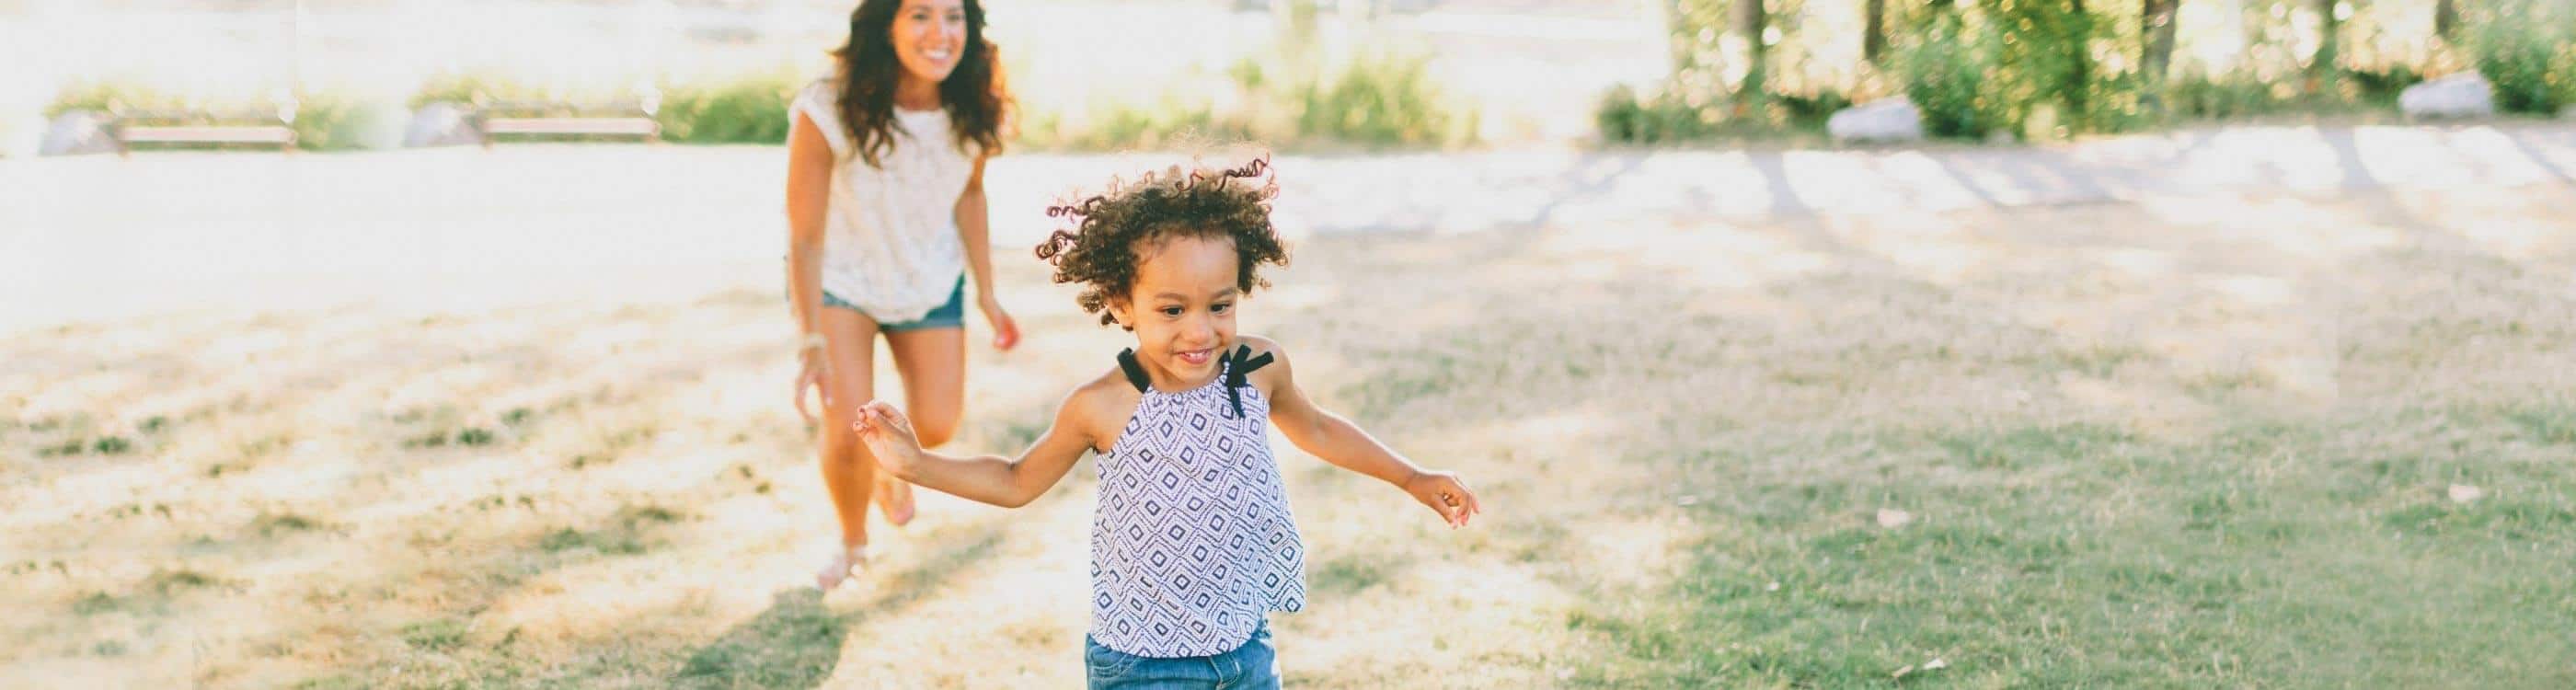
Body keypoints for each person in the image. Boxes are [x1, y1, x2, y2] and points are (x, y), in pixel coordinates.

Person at [849, 157, 1483, 689]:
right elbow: (1016, 481)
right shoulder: (1103, 404)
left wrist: (1411, 476)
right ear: (1123, 304)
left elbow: (1316, 428)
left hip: (1246, 645)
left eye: (1221, 305)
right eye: (1172, 309)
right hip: (1143, 664)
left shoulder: (1259, 365)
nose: (1200, 330)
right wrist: (915, 465)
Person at [785, 0, 1019, 591]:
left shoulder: (973, 103)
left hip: (929, 280)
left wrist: (988, 293)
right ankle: (853, 543)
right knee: (845, 427)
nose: (940, 34)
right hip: (844, 282)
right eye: (920, 15)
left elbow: (969, 195)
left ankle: (889, 467)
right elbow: (805, 235)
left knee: (936, 425)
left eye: (954, 17)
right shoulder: (827, 106)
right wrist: (810, 337)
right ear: (886, 24)